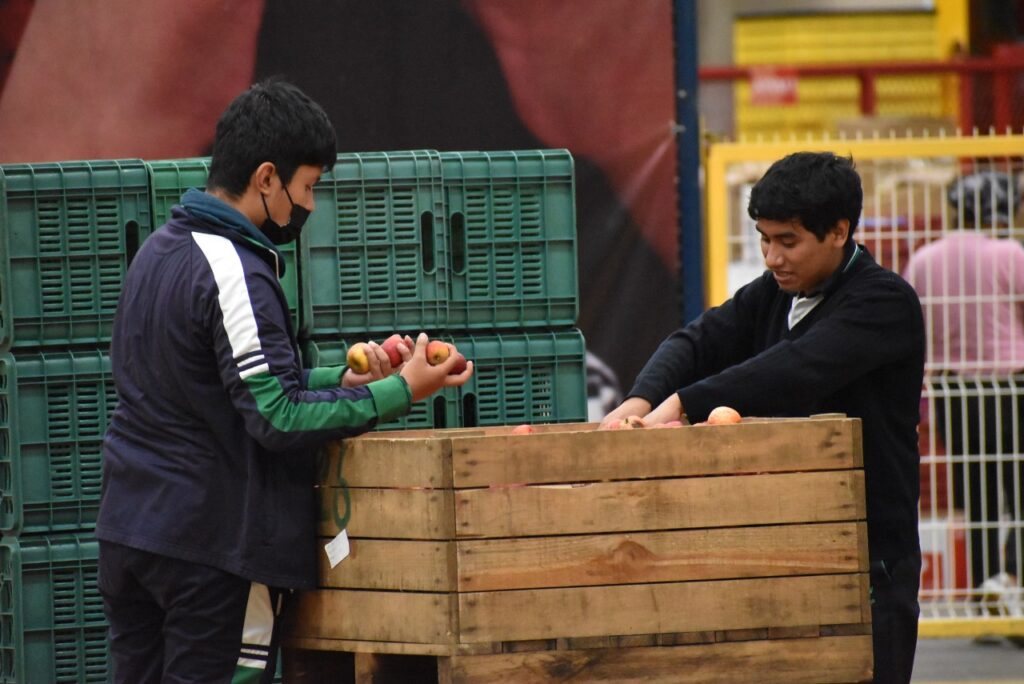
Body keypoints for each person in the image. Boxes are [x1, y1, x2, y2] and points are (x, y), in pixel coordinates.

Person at [95, 79, 473, 684]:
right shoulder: (232, 270)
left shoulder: (159, 252)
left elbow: (241, 386)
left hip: (130, 532)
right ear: (267, 177)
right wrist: (404, 391)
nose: (311, 207)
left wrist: (365, 377)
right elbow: (276, 416)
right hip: (209, 547)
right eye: (308, 187)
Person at [602, 152, 925, 683]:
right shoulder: (775, 296)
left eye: (788, 241)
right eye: (764, 239)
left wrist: (682, 404)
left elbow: (794, 369)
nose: (772, 257)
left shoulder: (883, 303)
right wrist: (640, 400)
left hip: (869, 557)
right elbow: (697, 340)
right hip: (785, 549)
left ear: (839, 232)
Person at [904, 171, 1024, 619]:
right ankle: (1010, 576)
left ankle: (983, 593)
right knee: (1018, 491)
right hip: (1009, 387)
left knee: (976, 498)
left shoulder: (924, 259)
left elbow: (915, 327)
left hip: (953, 393)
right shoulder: (1009, 254)